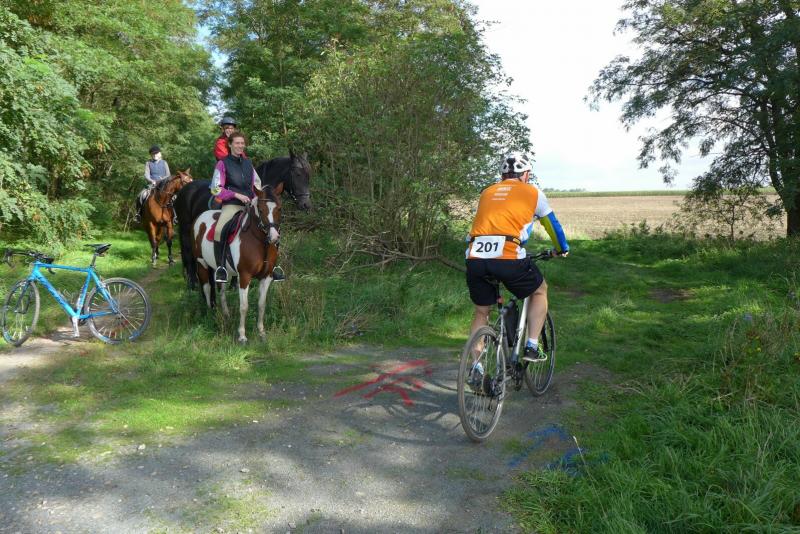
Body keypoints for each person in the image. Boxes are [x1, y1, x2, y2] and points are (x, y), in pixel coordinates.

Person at [465, 152, 569, 376]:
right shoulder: (533, 192)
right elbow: (553, 225)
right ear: (526, 174)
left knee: (482, 312)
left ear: (503, 175)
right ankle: (531, 345)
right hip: (508, 257)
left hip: (475, 258)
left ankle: (476, 367)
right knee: (539, 290)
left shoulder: (487, 192)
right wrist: (562, 249)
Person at [134, 145, 171, 223]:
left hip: (163, 185)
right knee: (141, 195)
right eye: (153, 154)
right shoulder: (148, 163)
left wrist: (161, 180)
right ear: (151, 155)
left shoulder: (164, 162)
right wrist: (151, 181)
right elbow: (146, 174)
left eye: (156, 153)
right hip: (152, 184)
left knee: (174, 197)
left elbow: (168, 174)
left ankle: (176, 216)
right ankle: (138, 214)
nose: (155, 155)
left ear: (160, 153)